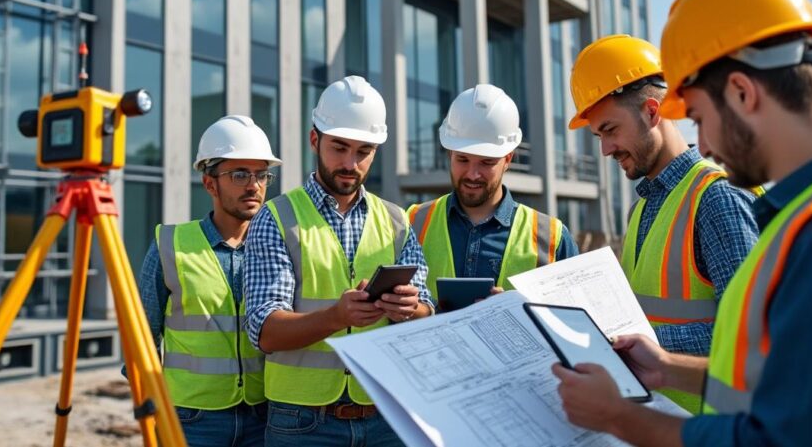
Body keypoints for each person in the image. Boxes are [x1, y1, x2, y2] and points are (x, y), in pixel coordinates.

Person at [553, 0, 812, 446]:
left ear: (742, 92)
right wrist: (668, 368)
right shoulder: (804, 216)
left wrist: (619, 418)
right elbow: (772, 377)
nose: (703, 145)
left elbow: (788, 436)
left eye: (698, 119)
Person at [567, 35, 759, 411]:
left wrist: (644, 340)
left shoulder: (717, 199)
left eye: (610, 130)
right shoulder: (641, 209)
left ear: (653, 112)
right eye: (598, 137)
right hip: (657, 421)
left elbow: (751, 336)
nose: (605, 149)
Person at [243, 75, 434, 447]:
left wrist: (411, 309)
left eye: (363, 151)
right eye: (339, 148)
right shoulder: (276, 217)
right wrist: (337, 317)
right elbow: (264, 332)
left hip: (386, 414)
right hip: (301, 422)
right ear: (315, 140)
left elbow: (426, 308)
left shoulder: (396, 220)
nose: (350, 163)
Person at [132, 115, 281, 447]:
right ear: (210, 183)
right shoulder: (169, 244)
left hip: (264, 415)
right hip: (190, 420)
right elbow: (140, 339)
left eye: (261, 175)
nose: (253, 185)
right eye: (239, 174)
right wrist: (155, 406)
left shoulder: (280, 248)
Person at [408, 85, 579, 305]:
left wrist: (520, 310)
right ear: (449, 153)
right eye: (462, 159)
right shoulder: (414, 222)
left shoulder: (552, 238)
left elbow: (576, 321)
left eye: (487, 162)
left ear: (508, 159)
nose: (472, 174)